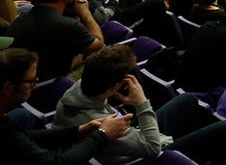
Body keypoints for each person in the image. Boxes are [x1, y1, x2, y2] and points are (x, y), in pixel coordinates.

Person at [54, 44, 226, 164]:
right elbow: (153, 148)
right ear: (115, 86)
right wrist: (141, 103)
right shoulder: (100, 125)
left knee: (187, 100)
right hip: (148, 155)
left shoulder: (78, 90)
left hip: (134, 140)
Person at [0, 48, 133, 163]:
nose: (34, 85)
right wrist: (102, 135)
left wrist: (78, 131)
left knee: (22, 115)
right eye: (31, 81)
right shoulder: (6, 133)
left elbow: (27, 137)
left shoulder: (8, 124)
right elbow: (56, 163)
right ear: (9, 87)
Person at [6, 0, 104, 80]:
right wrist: (85, 13)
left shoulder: (21, 18)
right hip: (46, 86)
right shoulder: (69, 26)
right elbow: (98, 43)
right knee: (100, 54)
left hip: (19, 80)